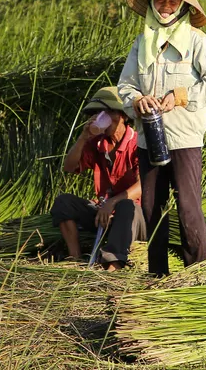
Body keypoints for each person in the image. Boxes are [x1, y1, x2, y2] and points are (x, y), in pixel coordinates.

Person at [117, 0, 206, 277]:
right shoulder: (141, 43)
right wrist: (137, 101)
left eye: (173, 1)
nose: (166, 6)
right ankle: (158, 275)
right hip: (148, 138)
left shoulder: (197, 42)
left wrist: (180, 97)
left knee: (189, 208)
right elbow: (125, 86)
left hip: (185, 138)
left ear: (182, 7)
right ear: (152, 4)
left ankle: (197, 276)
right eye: (160, 0)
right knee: (152, 208)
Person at [50, 86, 145, 270]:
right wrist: (83, 138)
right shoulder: (97, 143)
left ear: (123, 116)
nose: (103, 117)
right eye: (99, 113)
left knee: (126, 206)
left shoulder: (138, 143)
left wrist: (114, 203)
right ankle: (75, 259)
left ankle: (113, 264)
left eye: (108, 112)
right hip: (103, 214)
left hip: (133, 218)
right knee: (64, 202)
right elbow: (69, 167)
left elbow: (145, 184)